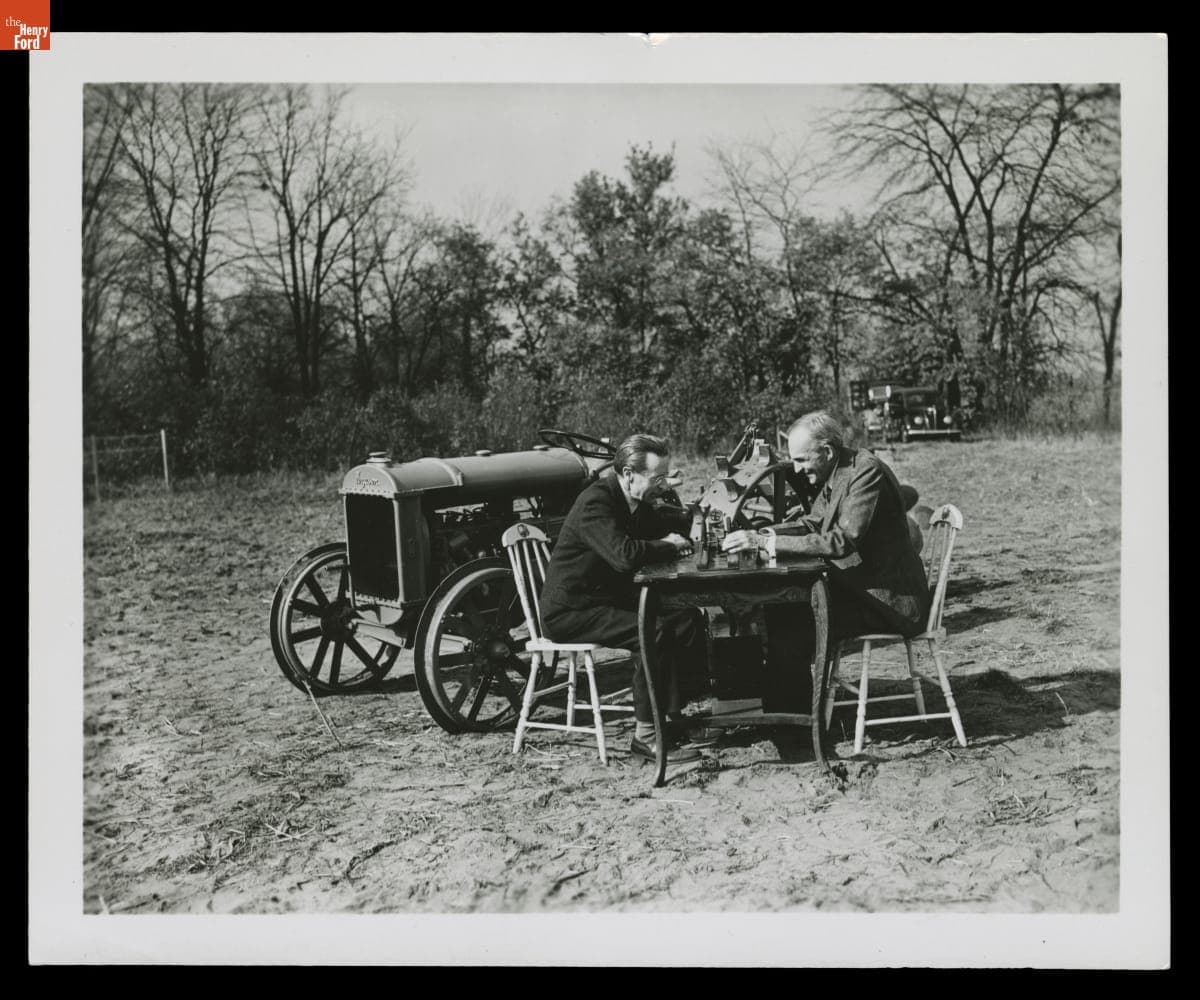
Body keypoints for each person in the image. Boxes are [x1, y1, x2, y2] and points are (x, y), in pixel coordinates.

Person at [722, 411, 931, 710]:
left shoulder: (865, 472)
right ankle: (783, 711)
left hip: (887, 602)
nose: (796, 469)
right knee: (780, 611)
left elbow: (842, 541)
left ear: (828, 451)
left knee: (793, 631)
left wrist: (765, 544)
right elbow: (812, 522)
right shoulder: (840, 470)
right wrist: (762, 533)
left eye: (801, 460)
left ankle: (797, 723)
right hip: (862, 589)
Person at [540, 433, 716, 763]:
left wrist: (693, 515)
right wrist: (670, 545)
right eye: (657, 478)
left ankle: (673, 718)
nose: (663, 485)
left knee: (685, 617)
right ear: (629, 474)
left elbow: (656, 522)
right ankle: (646, 737)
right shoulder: (596, 502)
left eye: (665, 476)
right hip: (571, 610)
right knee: (654, 631)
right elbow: (623, 555)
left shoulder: (630, 499)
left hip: (601, 600)